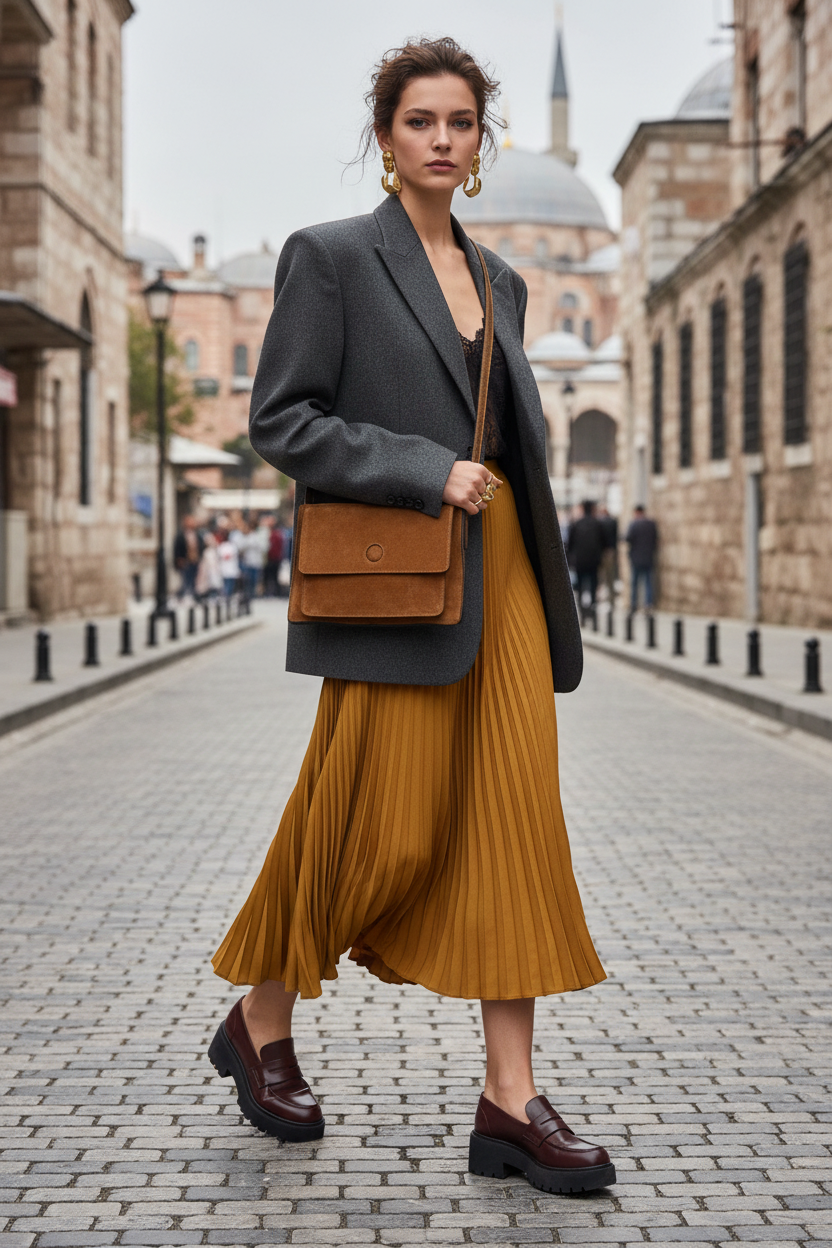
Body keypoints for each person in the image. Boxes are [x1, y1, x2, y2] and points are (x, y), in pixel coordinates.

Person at [208, 38, 614, 1197]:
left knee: (515, 822)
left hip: (509, 582)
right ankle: (260, 1019)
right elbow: (282, 419)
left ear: (483, 143)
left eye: (462, 122)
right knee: (367, 823)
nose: (442, 138)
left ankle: (509, 1098)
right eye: (419, 120)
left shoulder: (506, 282)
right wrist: (419, 467)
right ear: (383, 135)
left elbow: (516, 445)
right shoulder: (331, 259)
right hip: (404, 575)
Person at [566, 500, 605, 621]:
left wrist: (570, 560)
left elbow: (570, 545)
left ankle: (583, 613)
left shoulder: (576, 524)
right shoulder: (597, 524)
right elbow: (603, 543)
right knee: (593, 585)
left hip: (580, 561)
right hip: (594, 561)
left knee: (581, 586)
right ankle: (592, 610)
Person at [626, 504, 658, 611]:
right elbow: (655, 540)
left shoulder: (634, 524)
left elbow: (628, 538)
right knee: (648, 582)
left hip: (636, 558)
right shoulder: (651, 524)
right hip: (648, 557)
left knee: (635, 583)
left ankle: (634, 604)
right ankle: (648, 604)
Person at [173, 515, 204, 600]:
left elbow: (201, 546)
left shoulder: (197, 535)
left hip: (195, 560)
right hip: (185, 561)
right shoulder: (181, 535)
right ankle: (181, 595)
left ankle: (193, 595)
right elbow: (177, 547)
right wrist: (179, 559)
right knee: (185, 579)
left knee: (194, 579)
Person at [238, 518, 268, 599]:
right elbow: (241, 547)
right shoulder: (246, 537)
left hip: (256, 561)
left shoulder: (258, 537)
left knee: (255, 579)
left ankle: (254, 593)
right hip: (248, 561)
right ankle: (248, 592)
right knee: (248, 579)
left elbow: (264, 547)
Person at [598, 506, 619, 604]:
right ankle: (611, 598)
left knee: (601, 575)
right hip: (610, 551)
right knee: (610, 576)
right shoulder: (613, 522)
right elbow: (615, 537)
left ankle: (600, 596)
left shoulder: (599, 523)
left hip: (601, 552)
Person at [195, 531, 223, 601]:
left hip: (214, 571)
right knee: (207, 585)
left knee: (215, 584)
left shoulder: (214, 551)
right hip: (207, 571)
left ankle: (215, 596)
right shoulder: (206, 552)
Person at [217, 530, 240, 600]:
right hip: (224, 568)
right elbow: (221, 556)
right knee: (225, 583)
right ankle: (226, 595)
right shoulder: (221, 546)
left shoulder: (233, 546)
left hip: (232, 568)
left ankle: (229, 595)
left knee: (231, 583)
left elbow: (232, 555)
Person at [263, 520, 284, 597]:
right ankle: (276, 592)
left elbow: (270, 547)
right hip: (277, 558)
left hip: (272, 558)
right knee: (275, 577)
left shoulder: (273, 535)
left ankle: (270, 592)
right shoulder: (280, 535)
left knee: (270, 577)